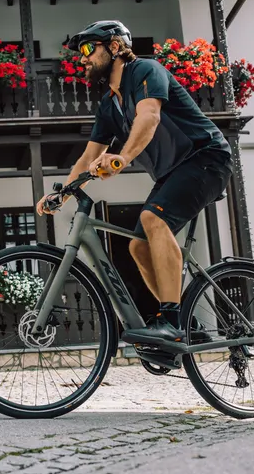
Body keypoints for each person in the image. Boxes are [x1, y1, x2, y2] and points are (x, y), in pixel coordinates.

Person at [36, 20, 232, 355]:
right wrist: (61, 193)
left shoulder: (146, 70)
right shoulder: (109, 105)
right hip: (172, 173)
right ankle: (188, 325)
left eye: (88, 49)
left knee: (154, 220)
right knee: (138, 247)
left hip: (206, 158)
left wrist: (122, 158)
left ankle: (170, 320)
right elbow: (88, 157)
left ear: (114, 47)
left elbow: (149, 117)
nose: (82, 59)